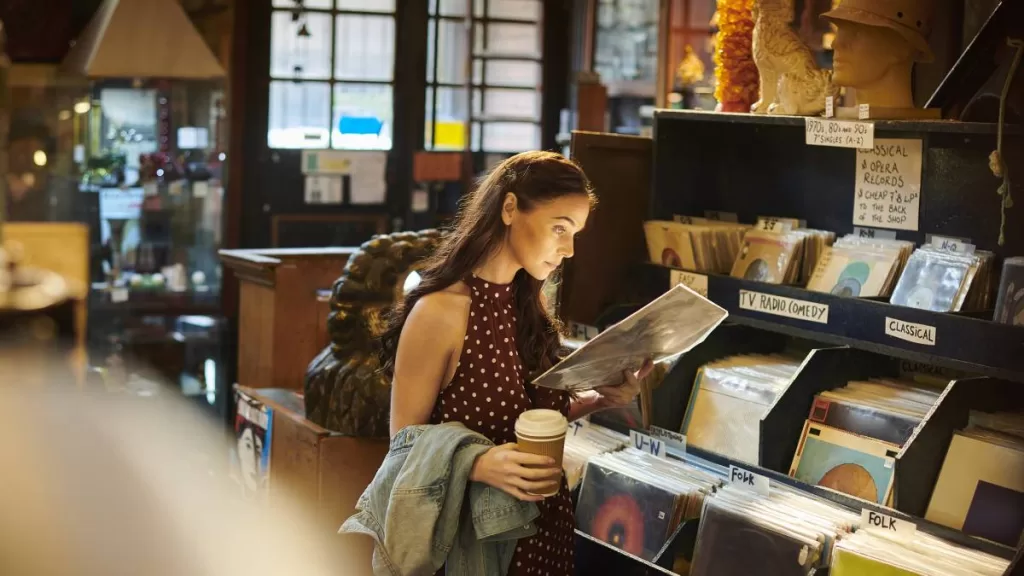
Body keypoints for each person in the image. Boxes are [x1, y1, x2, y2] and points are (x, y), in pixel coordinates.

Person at [380, 150, 653, 576]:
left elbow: (524, 420)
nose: (568, 248)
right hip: (476, 548)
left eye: (576, 233)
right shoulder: (441, 310)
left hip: (546, 536)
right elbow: (403, 443)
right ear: (509, 208)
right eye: (559, 228)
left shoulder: (528, 304)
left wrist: (599, 399)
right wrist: (477, 463)